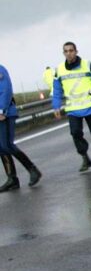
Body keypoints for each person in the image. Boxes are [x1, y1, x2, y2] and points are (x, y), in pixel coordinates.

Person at [52, 42, 91, 171]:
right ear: (63, 53)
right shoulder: (59, 69)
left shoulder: (88, 64)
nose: (69, 53)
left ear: (76, 51)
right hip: (73, 109)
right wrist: (56, 106)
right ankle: (84, 157)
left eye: (71, 50)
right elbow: (56, 90)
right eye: (66, 51)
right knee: (75, 133)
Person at [0, 64, 42, 192]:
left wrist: (2, 110)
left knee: (7, 145)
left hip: (4, 114)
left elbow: (5, 90)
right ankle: (12, 179)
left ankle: (32, 169)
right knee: (1, 147)